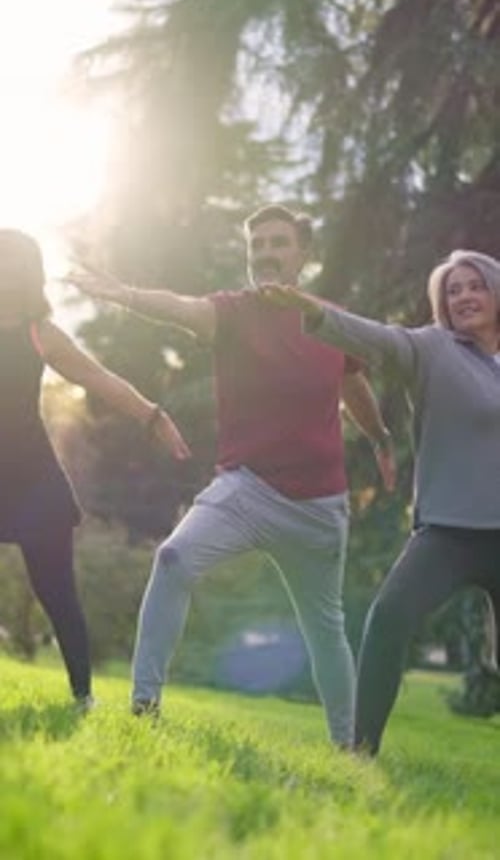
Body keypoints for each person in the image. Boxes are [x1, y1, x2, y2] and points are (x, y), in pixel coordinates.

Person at [69, 204, 395, 746]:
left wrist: (381, 437)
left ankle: (351, 750)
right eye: (257, 245)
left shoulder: (330, 320)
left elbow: (352, 384)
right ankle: (143, 707)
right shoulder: (231, 312)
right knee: (173, 558)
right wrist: (122, 294)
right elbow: (179, 307)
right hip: (245, 490)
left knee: (326, 629)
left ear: (302, 254)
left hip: (318, 507)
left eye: (278, 243)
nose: (266, 254)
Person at [259, 248, 500, 755]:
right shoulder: (433, 350)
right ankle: (360, 751)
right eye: (452, 291)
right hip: (450, 532)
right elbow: (379, 340)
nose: (463, 297)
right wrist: (318, 314)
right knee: (388, 618)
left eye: (475, 285)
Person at [0, 229, 190, 710]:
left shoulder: (39, 333)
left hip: (35, 484)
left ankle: (83, 695)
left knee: (57, 592)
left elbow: (98, 378)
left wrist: (152, 414)